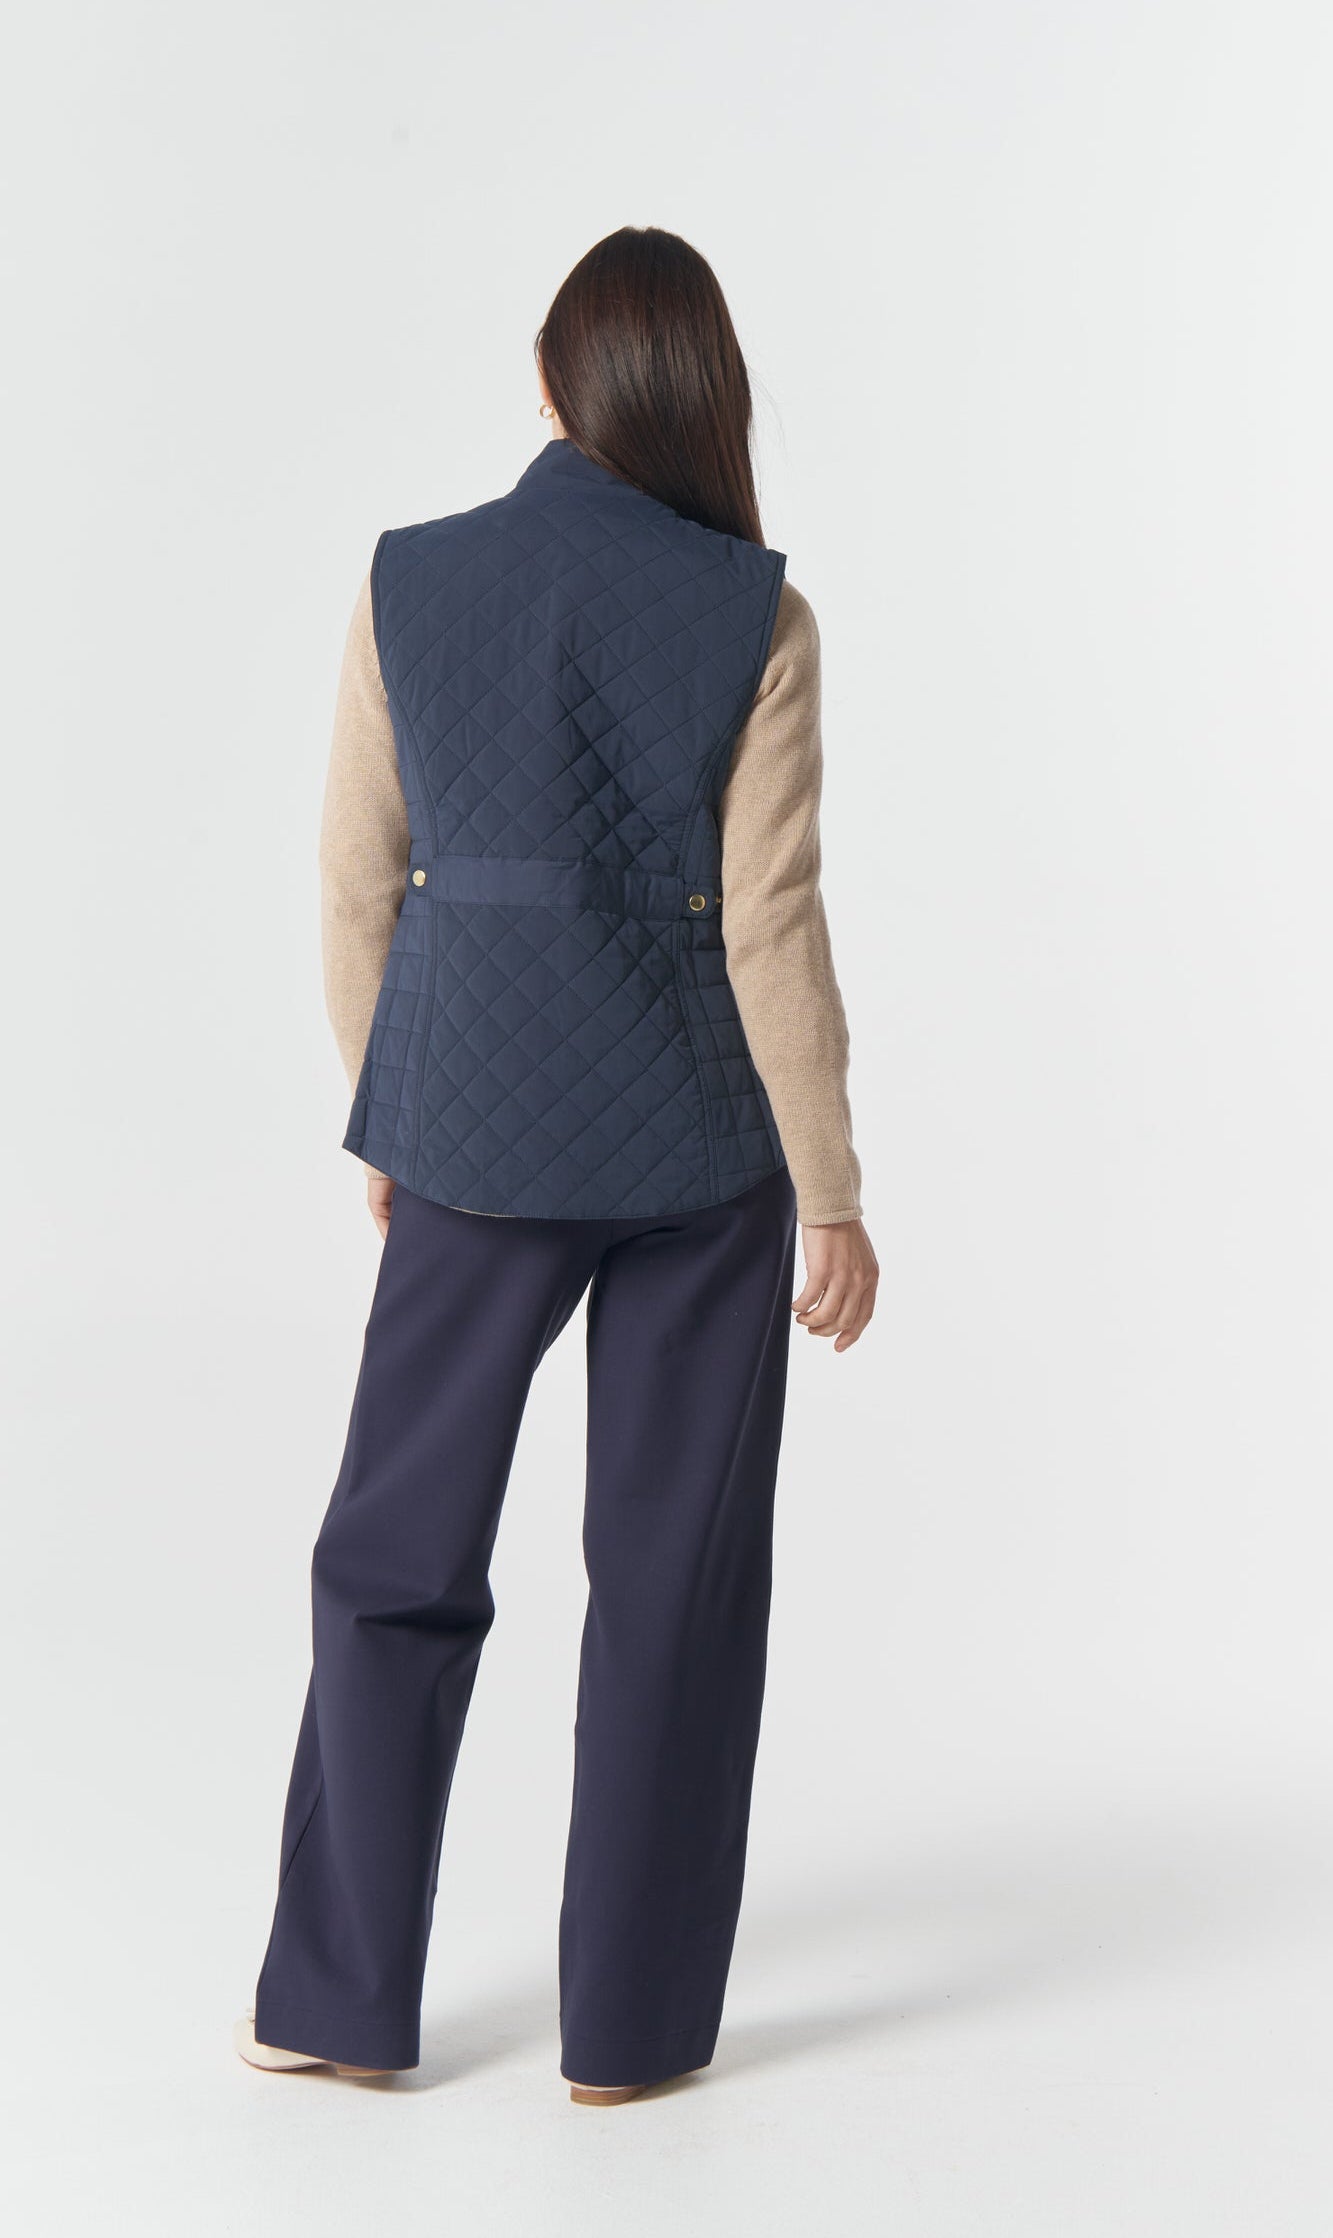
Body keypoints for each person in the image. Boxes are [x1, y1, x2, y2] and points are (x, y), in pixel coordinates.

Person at [235, 225, 879, 2107]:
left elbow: (357, 877)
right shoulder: (758, 613)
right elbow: (772, 922)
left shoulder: (407, 580)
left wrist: (394, 1105)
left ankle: (333, 2001)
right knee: (674, 1585)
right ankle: (631, 2040)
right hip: (699, 1151)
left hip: (469, 1135)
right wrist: (832, 1189)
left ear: (550, 384)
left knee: (392, 1555)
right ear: (702, 400)